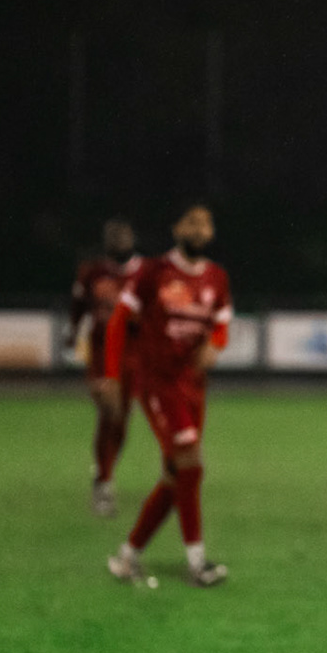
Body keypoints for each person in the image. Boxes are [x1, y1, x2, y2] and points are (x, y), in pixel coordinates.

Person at [101, 202, 232, 588]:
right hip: (159, 384)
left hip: (193, 389)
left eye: (205, 224)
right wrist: (112, 376)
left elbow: (221, 323)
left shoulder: (217, 278)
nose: (199, 230)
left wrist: (216, 344)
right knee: (190, 464)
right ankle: (197, 563)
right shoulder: (153, 272)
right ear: (177, 228)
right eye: (192, 222)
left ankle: (127, 557)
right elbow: (119, 320)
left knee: (178, 475)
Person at [70, 218, 144, 517]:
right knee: (108, 412)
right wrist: (72, 332)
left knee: (120, 420)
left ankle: (105, 472)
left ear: (132, 240)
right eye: (114, 238)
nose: (119, 242)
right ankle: (103, 482)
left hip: (132, 355)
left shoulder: (143, 274)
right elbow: (78, 305)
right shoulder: (92, 272)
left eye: (123, 237)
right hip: (101, 353)